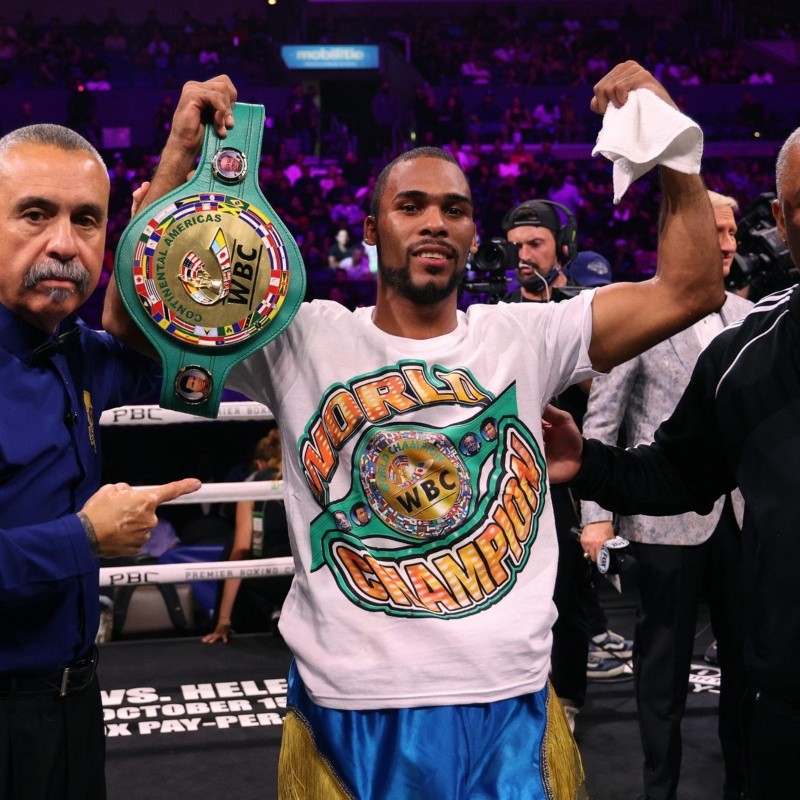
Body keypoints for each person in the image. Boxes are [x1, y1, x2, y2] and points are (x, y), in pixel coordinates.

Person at [105, 62, 726, 799]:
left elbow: (690, 290)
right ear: (372, 229)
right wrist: (181, 154)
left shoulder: (526, 336)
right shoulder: (301, 336)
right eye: (412, 205)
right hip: (348, 712)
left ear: (471, 232)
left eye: (455, 208)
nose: (436, 220)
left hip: (511, 706)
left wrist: (672, 145)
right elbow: (133, 325)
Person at [541, 126, 800, 800]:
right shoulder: (749, 348)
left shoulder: (743, 324)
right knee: (669, 674)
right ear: (780, 220)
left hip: (738, 543)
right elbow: (675, 469)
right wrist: (590, 471)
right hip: (785, 691)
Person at [0, 105, 213, 797]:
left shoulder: (78, 354)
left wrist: (179, 158)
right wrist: (83, 538)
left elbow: (164, 361)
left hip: (74, 702)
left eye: (86, 221)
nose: (64, 243)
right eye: (35, 215)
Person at [579, 190, 752, 800]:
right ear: (680, 234)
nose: (729, 244)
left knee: (748, 665)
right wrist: (595, 519)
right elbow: (601, 422)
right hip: (661, 520)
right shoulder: (641, 310)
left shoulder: (750, 316)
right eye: (717, 231)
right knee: (662, 669)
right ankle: (660, 789)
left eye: (733, 232)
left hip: (741, 518)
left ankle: (743, 782)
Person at [501, 200, 632, 735]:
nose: (524, 254)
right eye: (516, 245)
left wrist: (556, 330)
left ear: (562, 246)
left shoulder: (583, 312)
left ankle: (571, 698)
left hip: (566, 477)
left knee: (568, 592)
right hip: (508, 469)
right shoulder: (498, 311)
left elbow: (604, 389)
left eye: (535, 243)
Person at [203, 429, 290, 643]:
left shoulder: (252, 486)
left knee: (234, 551)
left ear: (260, 464)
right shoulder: (307, 479)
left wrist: (223, 619)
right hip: (307, 581)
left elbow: (240, 549)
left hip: (271, 584)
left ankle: (274, 612)